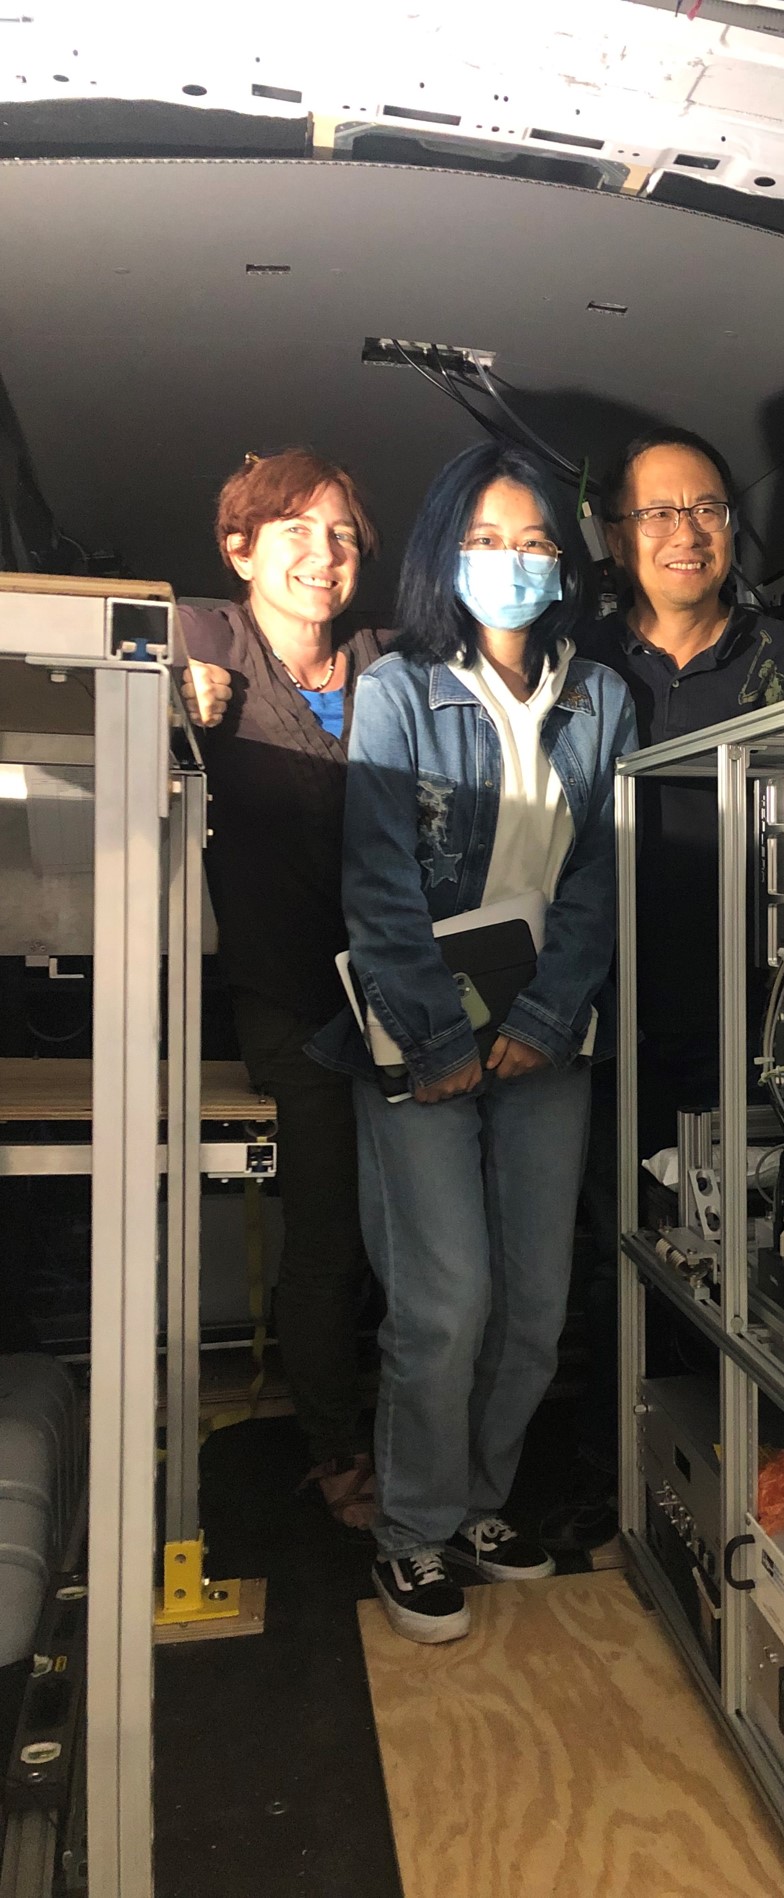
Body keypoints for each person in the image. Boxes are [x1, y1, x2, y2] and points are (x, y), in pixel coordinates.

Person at [312, 441, 637, 1644]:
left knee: (538, 1301)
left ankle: (482, 1503)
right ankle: (413, 1527)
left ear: (565, 560)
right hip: (420, 1037)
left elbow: (601, 876)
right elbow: (378, 879)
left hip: (549, 1031)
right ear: (448, 554)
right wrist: (440, 1033)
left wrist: (545, 1019)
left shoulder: (602, 698)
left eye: (536, 541)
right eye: (489, 542)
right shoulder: (397, 688)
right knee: (444, 1299)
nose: (513, 562)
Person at [545, 425, 784, 1551]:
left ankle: (745, 1491)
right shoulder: (574, 663)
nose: (685, 531)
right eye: (659, 513)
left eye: (707, 509)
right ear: (615, 537)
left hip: (753, 1022)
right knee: (605, 1255)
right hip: (605, 1016)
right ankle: (612, 1482)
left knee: (753, 1253)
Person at [179, 449, 386, 1530]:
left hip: (404, 998)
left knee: (422, 1233)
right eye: (295, 530)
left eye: (342, 533)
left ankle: (426, 1432)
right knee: (330, 1235)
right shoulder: (200, 643)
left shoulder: (388, 661)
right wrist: (171, 706)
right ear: (240, 548)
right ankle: (336, 1447)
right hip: (293, 998)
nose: (322, 553)